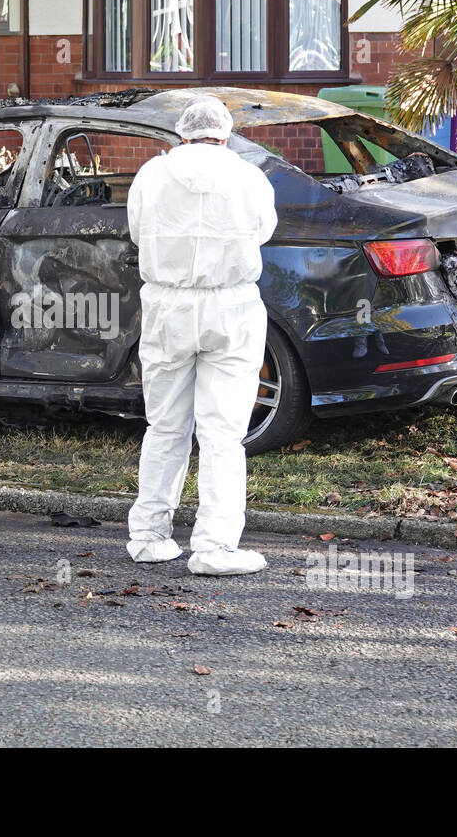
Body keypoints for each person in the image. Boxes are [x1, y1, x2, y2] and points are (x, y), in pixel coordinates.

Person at [125, 95, 278, 576]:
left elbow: (136, 230)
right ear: (226, 134)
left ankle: (149, 536)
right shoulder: (248, 176)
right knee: (223, 434)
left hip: (167, 305)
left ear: (182, 134)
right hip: (230, 306)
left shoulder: (151, 175)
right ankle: (214, 546)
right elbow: (263, 231)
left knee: (165, 424)